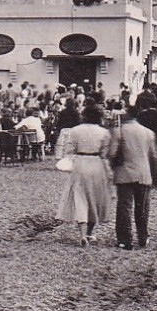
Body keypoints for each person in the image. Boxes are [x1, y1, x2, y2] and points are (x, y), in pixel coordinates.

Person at [54, 103, 113, 246]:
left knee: (80, 197)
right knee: (93, 198)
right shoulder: (104, 132)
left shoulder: (75, 130)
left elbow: (69, 150)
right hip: (97, 164)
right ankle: (89, 233)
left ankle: (82, 234)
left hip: (80, 163)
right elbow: (105, 153)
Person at [110, 106, 157, 250]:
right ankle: (143, 237)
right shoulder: (148, 132)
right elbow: (154, 156)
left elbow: (112, 152)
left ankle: (125, 239)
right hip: (144, 173)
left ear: (127, 115)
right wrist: (155, 176)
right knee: (142, 207)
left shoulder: (119, 131)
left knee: (124, 207)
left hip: (125, 173)